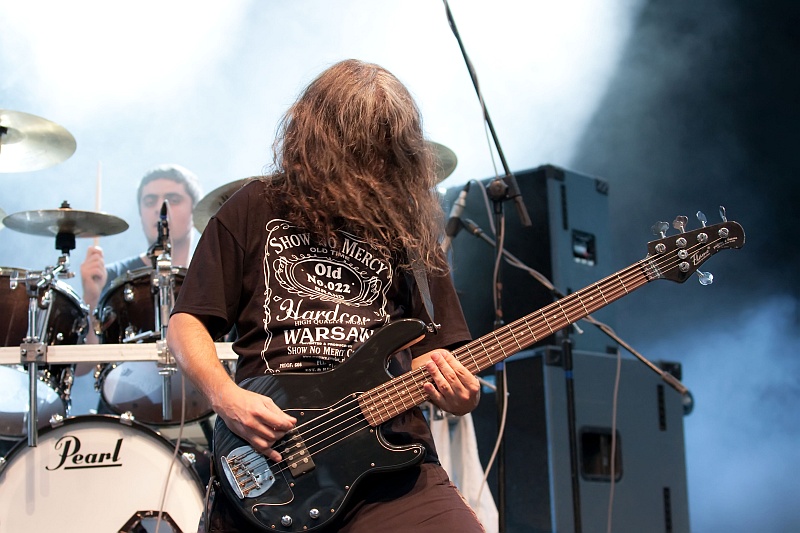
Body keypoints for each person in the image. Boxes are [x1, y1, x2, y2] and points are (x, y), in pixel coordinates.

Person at [166, 59, 484, 532]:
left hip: (390, 459)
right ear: (319, 137)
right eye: (361, 147)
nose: (371, 164)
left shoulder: (411, 234)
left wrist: (459, 394)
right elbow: (187, 321)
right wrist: (226, 396)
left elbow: (438, 358)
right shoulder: (255, 206)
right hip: (274, 452)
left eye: (384, 150)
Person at [80, 163, 203, 318]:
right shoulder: (110, 277)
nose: (160, 208)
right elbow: (94, 342)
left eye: (173, 200)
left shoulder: (212, 277)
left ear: (195, 210)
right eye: (150, 202)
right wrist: (91, 298)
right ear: (141, 214)